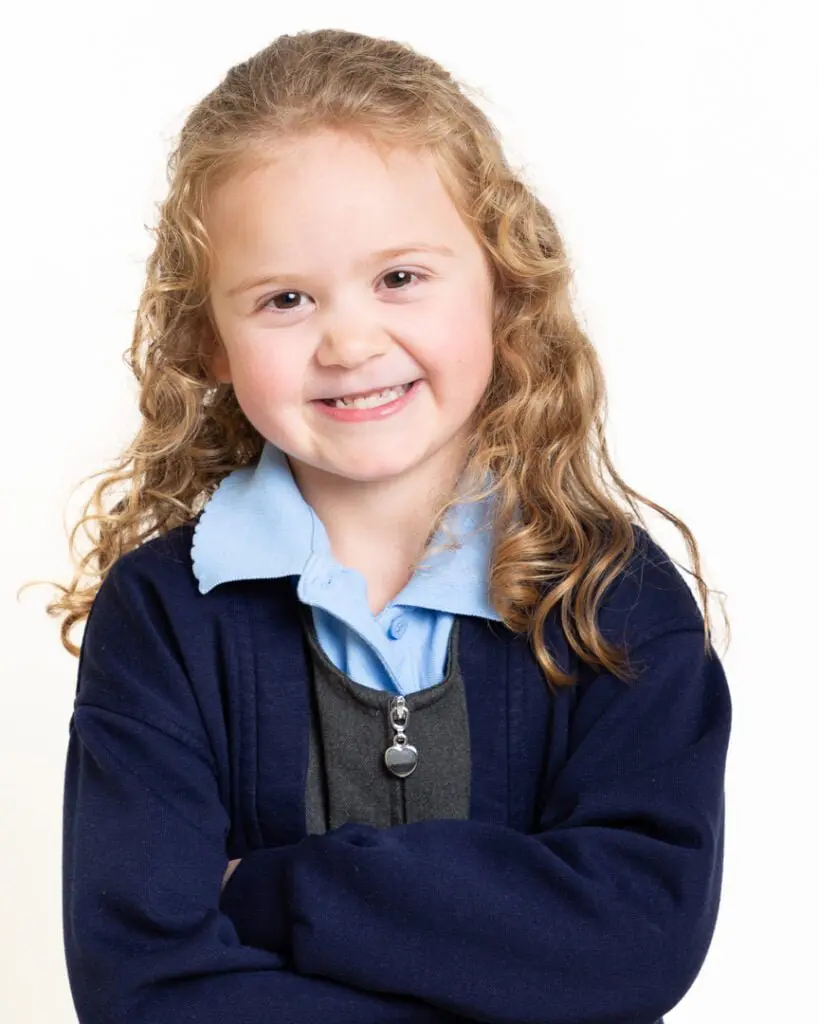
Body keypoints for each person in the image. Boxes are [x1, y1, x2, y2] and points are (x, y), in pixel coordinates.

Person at [41, 26, 732, 1024]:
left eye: (401, 277)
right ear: (212, 343)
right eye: (285, 298)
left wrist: (266, 891)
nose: (352, 340)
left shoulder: (610, 598)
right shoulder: (160, 619)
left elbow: (636, 935)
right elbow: (144, 986)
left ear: (501, 281)